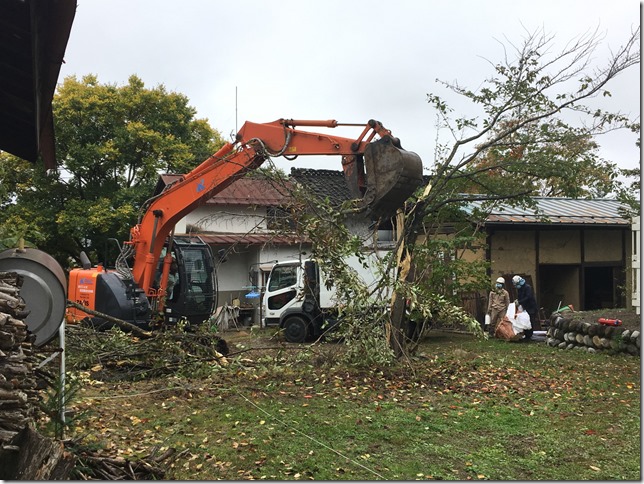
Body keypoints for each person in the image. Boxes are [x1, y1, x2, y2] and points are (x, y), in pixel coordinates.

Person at [512, 275, 537, 340]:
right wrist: (518, 301)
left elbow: (528, 297)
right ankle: (525, 335)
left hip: (531, 307)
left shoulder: (527, 287)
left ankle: (529, 336)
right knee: (524, 321)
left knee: (530, 321)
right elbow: (520, 297)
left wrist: (520, 302)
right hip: (525, 307)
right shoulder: (520, 289)